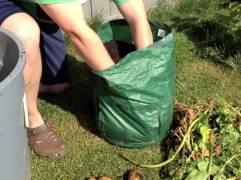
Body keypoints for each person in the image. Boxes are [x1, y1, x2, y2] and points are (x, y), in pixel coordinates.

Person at [0, 0, 153, 158]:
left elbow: (137, 17)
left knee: (57, 86)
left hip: (39, 9)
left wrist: (146, 77)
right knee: (25, 32)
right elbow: (79, 34)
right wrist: (124, 91)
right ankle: (31, 120)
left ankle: (24, 76)